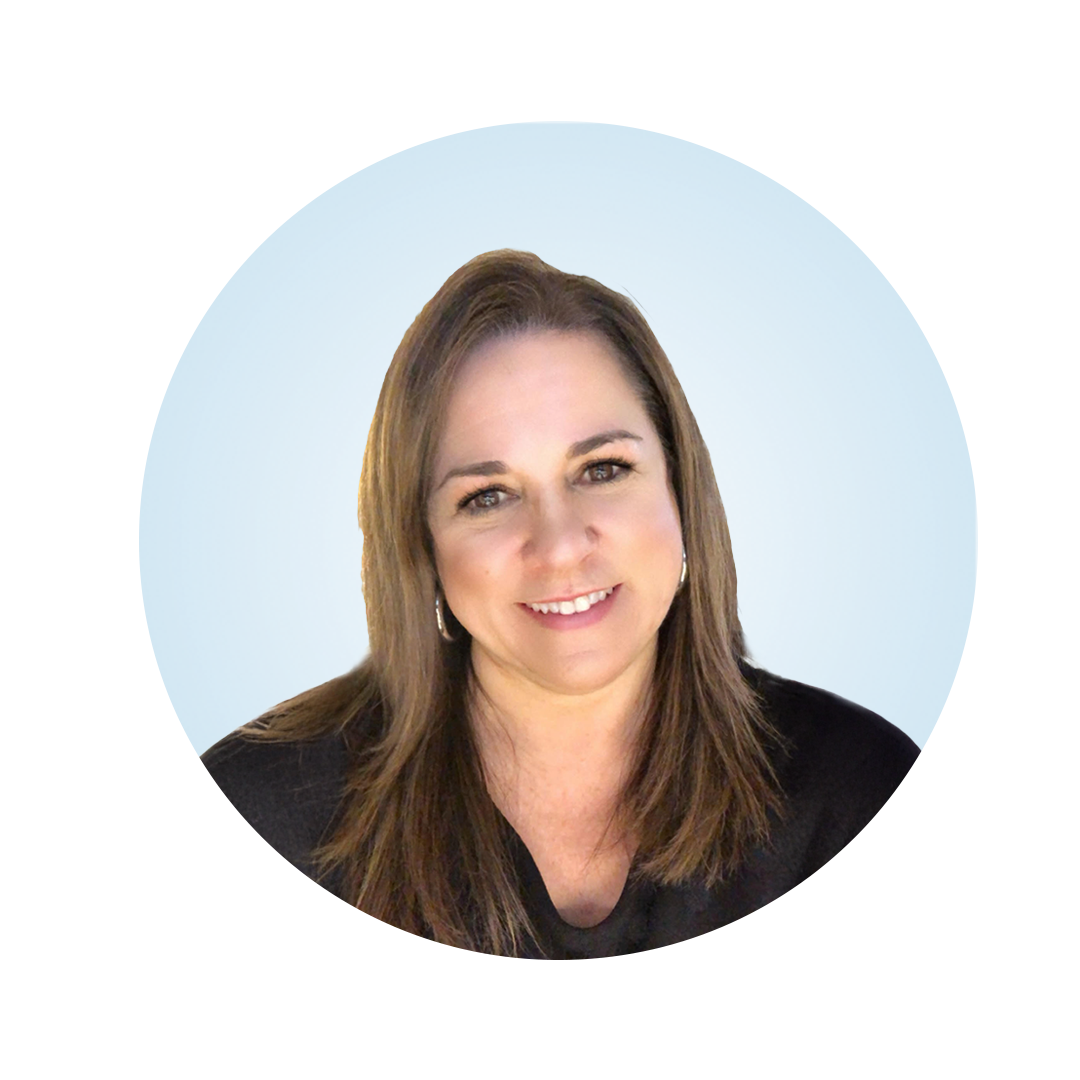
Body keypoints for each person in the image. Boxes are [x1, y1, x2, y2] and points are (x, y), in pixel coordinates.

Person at [200, 250, 1072, 960]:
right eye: (487, 497)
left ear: (682, 496)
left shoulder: (855, 801)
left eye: (602, 471)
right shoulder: (267, 815)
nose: (561, 541)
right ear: (421, 551)